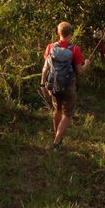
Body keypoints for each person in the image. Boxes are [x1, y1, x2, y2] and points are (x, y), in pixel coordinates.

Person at [41, 21, 88, 149]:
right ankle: (57, 142)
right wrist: (87, 64)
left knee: (57, 110)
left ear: (58, 33)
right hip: (69, 86)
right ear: (70, 33)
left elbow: (45, 68)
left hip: (54, 84)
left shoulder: (50, 47)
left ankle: (57, 137)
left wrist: (42, 85)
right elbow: (80, 71)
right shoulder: (74, 49)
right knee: (67, 115)